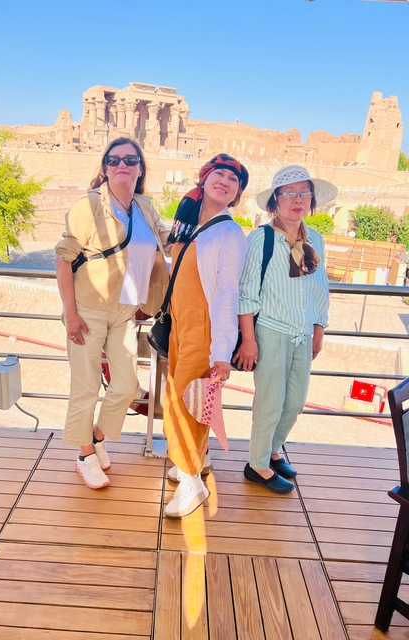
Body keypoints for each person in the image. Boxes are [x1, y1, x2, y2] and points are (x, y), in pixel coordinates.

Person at [55, 137, 170, 490]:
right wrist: (70, 314)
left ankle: (98, 437)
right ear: (105, 168)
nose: (122, 165)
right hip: (87, 311)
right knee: (86, 386)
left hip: (124, 311)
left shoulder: (145, 208)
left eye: (130, 159)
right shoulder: (88, 207)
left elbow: (169, 243)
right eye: (114, 159)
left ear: (140, 168)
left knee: (126, 386)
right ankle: (85, 454)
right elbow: (62, 260)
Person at [235, 165, 336, 493]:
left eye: (303, 193)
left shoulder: (315, 239)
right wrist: (248, 340)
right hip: (271, 331)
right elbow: (247, 292)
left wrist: (318, 327)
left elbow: (319, 288)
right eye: (289, 193)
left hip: (302, 333)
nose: (297, 199)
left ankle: (273, 450)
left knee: (294, 401)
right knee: (270, 401)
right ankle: (258, 464)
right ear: (274, 202)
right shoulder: (262, 239)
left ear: (312, 200)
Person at [164, 154, 249, 518]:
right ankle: (191, 460)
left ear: (236, 194)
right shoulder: (190, 224)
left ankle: (191, 480)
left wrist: (222, 352)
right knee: (182, 398)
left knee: (184, 405)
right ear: (205, 179)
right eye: (220, 173)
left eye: (234, 179)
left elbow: (229, 292)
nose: (225, 181)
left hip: (203, 328)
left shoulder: (228, 232)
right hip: (180, 324)